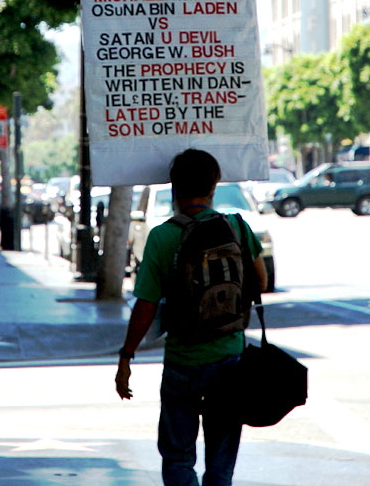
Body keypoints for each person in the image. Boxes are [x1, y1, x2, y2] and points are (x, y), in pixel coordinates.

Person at [115, 149, 268, 485]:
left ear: (174, 188)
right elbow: (261, 282)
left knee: (178, 458)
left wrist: (126, 356)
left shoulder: (162, 237)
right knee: (220, 464)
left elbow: (146, 306)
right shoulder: (238, 228)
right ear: (214, 185)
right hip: (229, 358)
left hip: (182, 360)